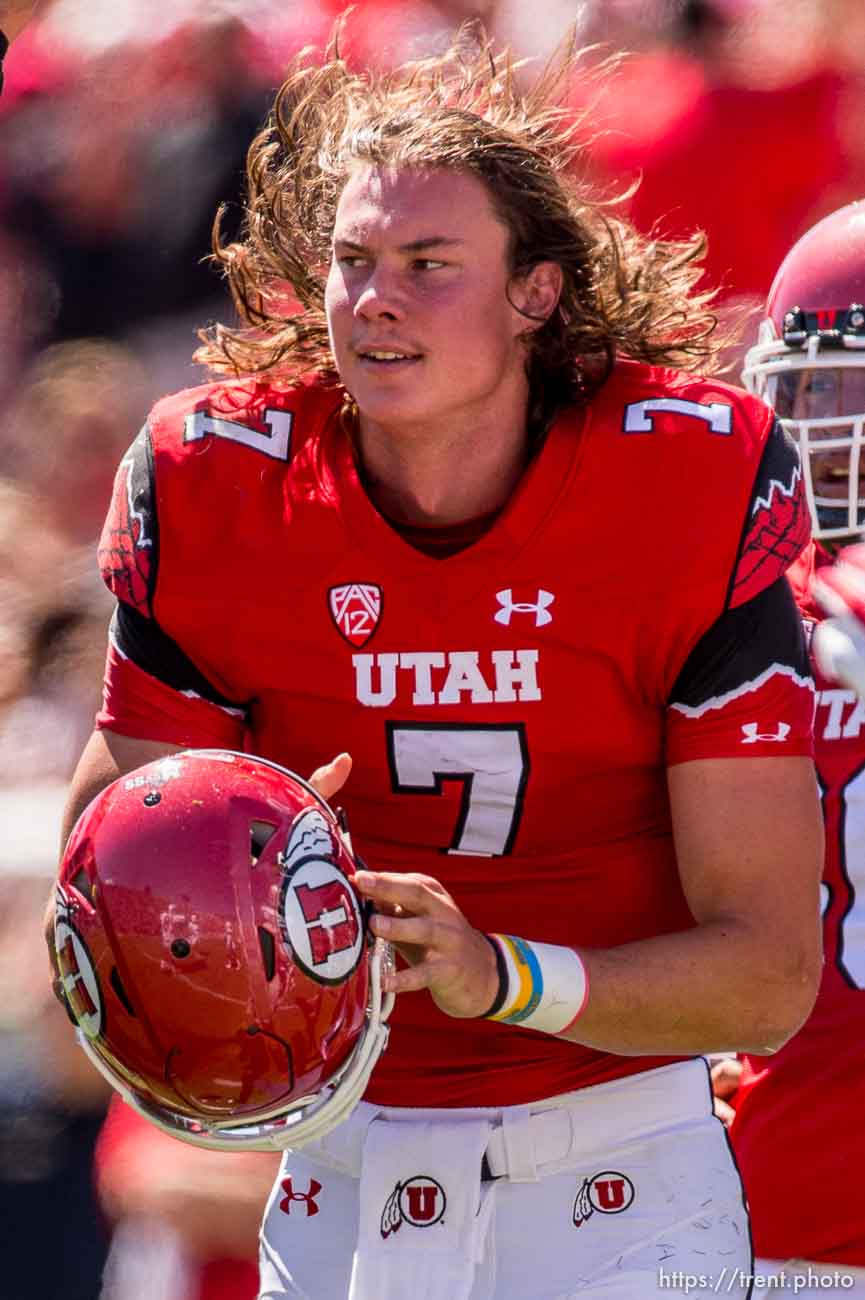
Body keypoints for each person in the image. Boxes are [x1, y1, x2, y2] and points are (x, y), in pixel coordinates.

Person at [49, 25, 824, 1300]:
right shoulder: (220, 484)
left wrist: (500, 973)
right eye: (351, 261)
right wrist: (218, 860)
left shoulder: (680, 482)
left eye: (427, 263)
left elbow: (763, 975)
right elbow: (102, 876)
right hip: (339, 1153)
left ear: (536, 292)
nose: (374, 298)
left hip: (619, 1156)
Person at [714, 200, 865, 1299]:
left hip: (772, 1224)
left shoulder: (761, 619)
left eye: (850, 386)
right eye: (805, 388)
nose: (819, 421)